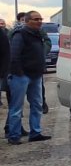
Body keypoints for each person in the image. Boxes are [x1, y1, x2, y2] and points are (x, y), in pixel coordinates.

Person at [8, 10, 51, 144]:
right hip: (21, 77)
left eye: (40, 19)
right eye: (36, 19)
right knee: (17, 108)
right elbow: (14, 55)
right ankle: (14, 136)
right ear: (27, 21)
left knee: (37, 105)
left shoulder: (38, 34)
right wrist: (20, 73)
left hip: (36, 76)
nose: (39, 21)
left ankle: (35, 133)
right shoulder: (20, 34)